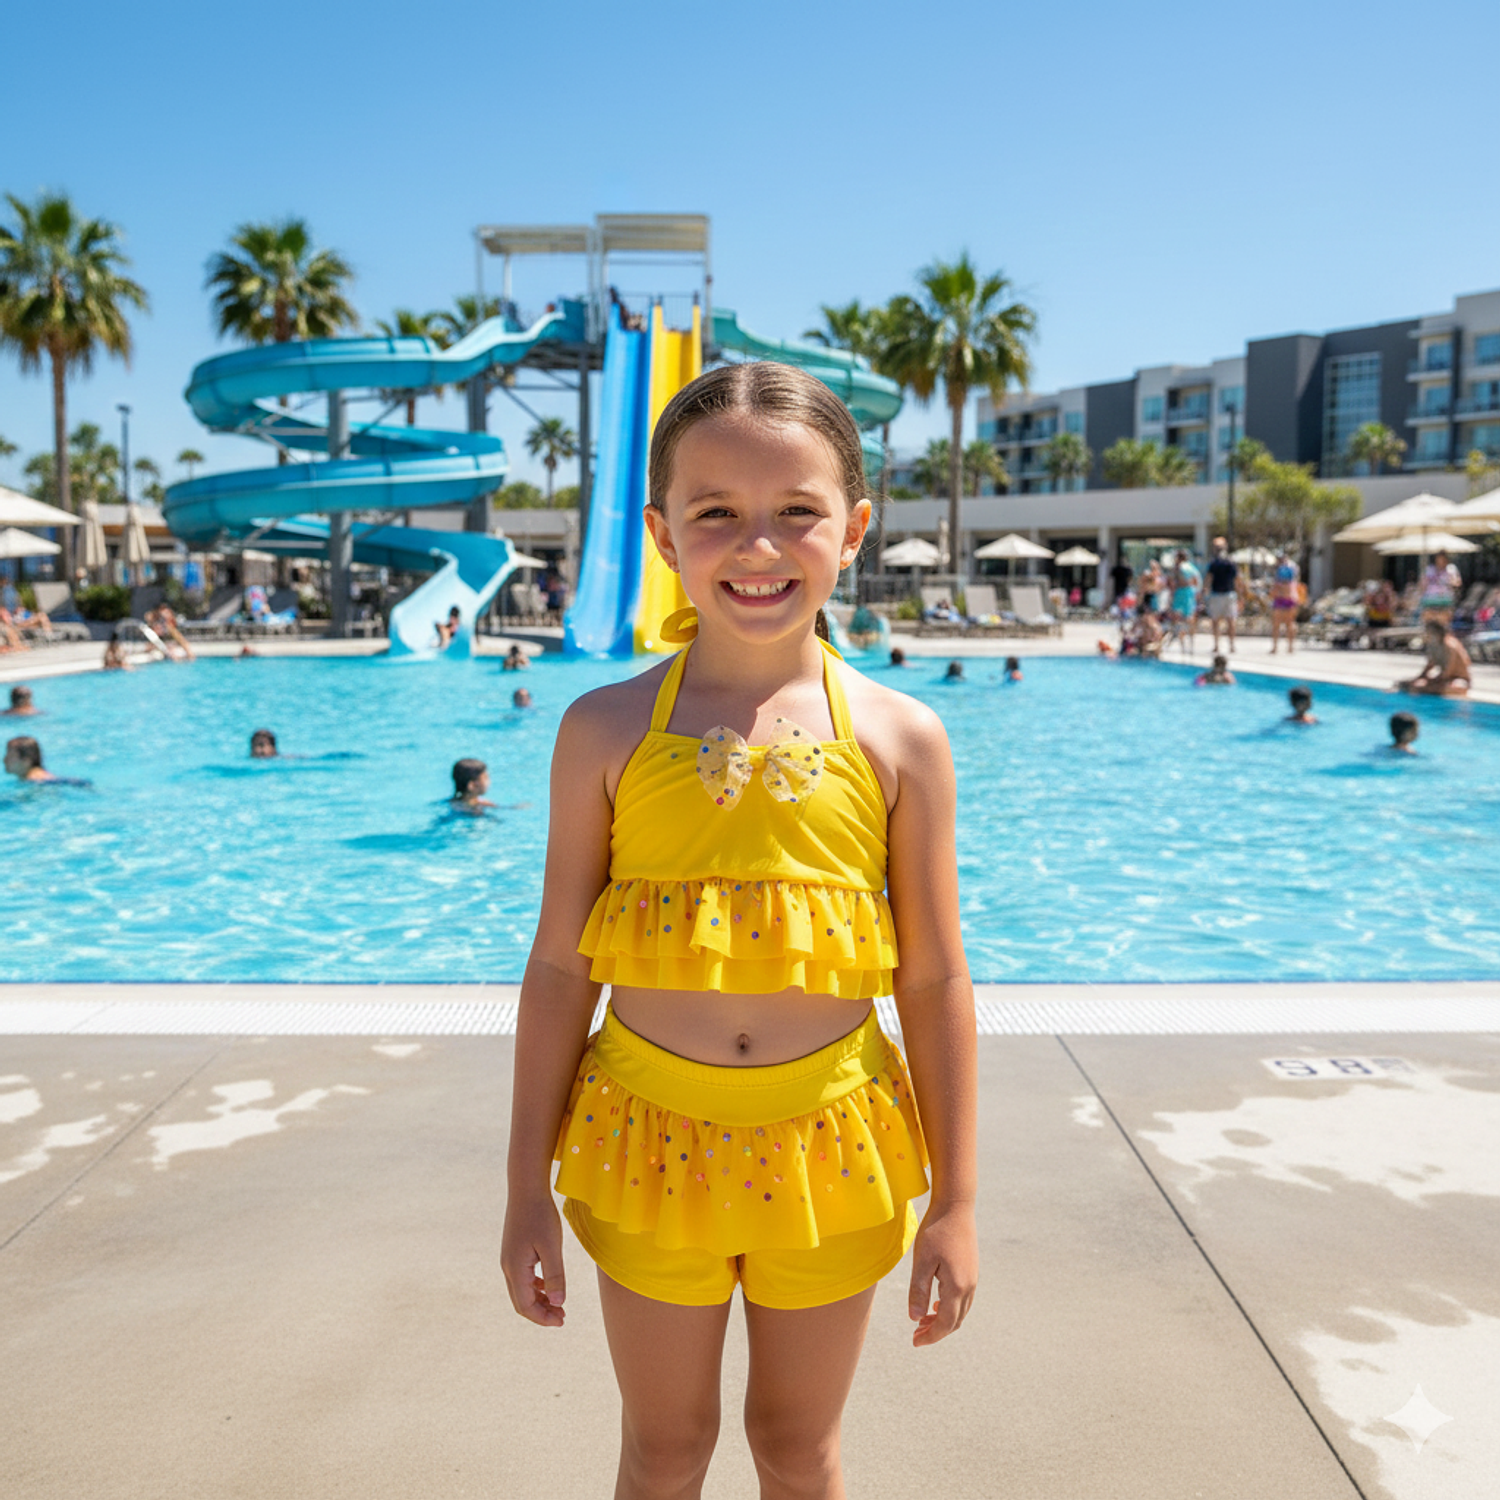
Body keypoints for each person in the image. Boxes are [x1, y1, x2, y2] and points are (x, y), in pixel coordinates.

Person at [499, 362, 976, 1499]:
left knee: (796, 1448)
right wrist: (524, 1186)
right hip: (649, 1138)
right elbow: (562, 968)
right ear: (663, 534)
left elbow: (936, 979)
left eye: (796, 514)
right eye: (716, 514)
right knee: (663, 1450)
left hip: (830, 1145)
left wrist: (957, 1200)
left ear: (852, 529)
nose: (758, 548)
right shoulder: (604, 728)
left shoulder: (902, 739)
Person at [1400, 619, 1472, 698]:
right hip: (1444, 678)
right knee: (1413, 685)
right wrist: (1418, 678)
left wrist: (1433, 682)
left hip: (1458, 678)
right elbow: (1430, 666)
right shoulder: (1433, 645)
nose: (1426, 634)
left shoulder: (1450, 646)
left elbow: (1449, 671)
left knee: (1452, 687)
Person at [4, 735, 88, 786]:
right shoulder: (42, 777)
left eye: (9, 756)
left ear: (26, 761)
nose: (4, 760)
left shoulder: (33, 781)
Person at [1205, 537, 1238, 653]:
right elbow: (1237, 579)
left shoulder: (1214, 563)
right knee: (1229, 620)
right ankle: (1230, 645)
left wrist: (1205, 591)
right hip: (1227, 594)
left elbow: (1209, 578)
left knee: (1218, 621)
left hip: (1219, 594)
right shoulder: (1230, 561)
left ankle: (1219, 645)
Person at [1168, 550, 1201, 648]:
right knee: (1188, 616)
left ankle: (1179, 636)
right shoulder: (1192, 567)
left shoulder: (1179, 567)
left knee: (1177, 616)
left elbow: (1173, 582)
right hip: (1190, 592)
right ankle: (1190, 638)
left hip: (1181, 592)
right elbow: (1196, 582)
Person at [1419, 550, 1462, 623]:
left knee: (1443, 620)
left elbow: (1457, 583)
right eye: (1439, 559)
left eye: (1442, 559)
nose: (1440, 562)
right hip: (1430, 598)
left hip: (1445, 598)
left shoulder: (1450, 569)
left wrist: (1449, 581)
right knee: (1428, 618)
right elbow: (1423, 583)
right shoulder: (1430, 569)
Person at [1270, 552, 1300, 654]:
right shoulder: (1293, 567)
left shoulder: (1282, 569)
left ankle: (1275, 647)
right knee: (1290, 624)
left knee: (1277, 624)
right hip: (1291, 598)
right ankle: (1290, 647)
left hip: (1281, 598)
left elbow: (1279, 586)